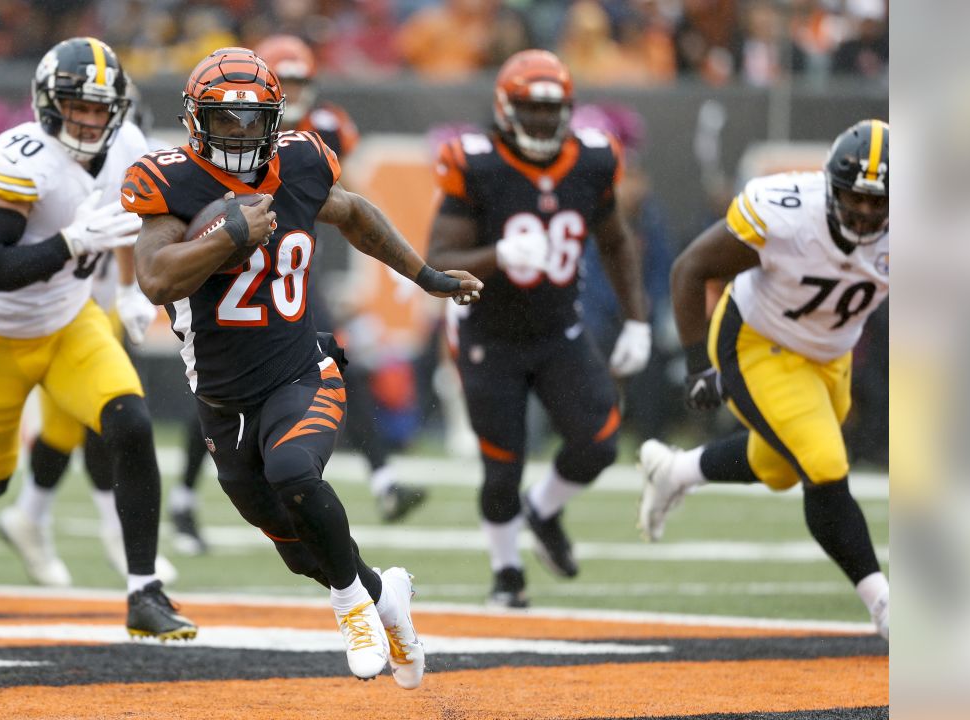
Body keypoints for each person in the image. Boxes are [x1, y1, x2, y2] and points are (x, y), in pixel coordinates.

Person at [123, 47, 482, 684]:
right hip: (221, 399)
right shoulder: (171, 180)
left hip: (300, 370)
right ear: (194, 120)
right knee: (294, 543)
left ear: (275, 117)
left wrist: (424, 276)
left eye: (252, 118)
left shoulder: (301, 160)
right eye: (224, 119)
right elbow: (153, 278)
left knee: (293, 469)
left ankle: (353, 609)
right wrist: (227, 236)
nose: (239, 133)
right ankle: (385, 593)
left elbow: (354, 214)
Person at [0, 37, 196, 642]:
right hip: (0, 334)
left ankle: (143, 590)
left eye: (101, 108)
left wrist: (130, 288)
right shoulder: (22, 158)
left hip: (72, 322)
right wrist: (68, 244)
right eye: (78, 106)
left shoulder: (127, 145)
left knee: (131, 423)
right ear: (48, 104)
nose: (91, 120)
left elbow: (133, 220)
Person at [167, 35, 422, 556]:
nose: (301, 90)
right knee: (221, 392)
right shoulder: (196, 157)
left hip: (290, 275)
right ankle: (185, 496)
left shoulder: (320, 135)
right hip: (228, 279)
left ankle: (382, 478)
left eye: (304, 80)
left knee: (337, 364)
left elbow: (343, 205)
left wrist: (399, 270)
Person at [637, 120, 891, 639]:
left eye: (878, 201)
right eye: (854, 197)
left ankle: (676, 471)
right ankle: (886, 607)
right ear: (830, 187)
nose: (865, 212)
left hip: (830, 354)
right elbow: (690, 269)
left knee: (779, 466)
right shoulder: (789, 213)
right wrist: (696, 366)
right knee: (822, 463)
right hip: (757, 340)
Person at [426, 49, 649, 608]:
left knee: (598, 441)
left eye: (553, 111)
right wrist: (498, 253)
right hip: (487, 332)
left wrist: (638, 321)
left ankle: (543, 508)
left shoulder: (594, 160)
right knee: (502, 464)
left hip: (557, 329)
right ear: (504, 108)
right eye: (531, 109)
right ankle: (507, 573)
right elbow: (438, 257)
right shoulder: (477, 161)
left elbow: (616, 241)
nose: (543, 122)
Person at [0, 193, 175, 589]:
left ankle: (39, 519)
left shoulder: (138, 151)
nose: (95, 127)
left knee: (108, 419)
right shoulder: (39, 163)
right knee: (41, 445)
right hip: (42, 312)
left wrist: (131, 287)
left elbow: (131, 228)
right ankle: (56, 522)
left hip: (97, 309)